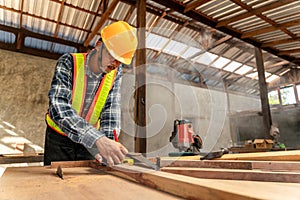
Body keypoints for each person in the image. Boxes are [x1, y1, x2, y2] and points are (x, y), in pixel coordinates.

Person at [44, 21, 138, 166]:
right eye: (112, 55)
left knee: (85, 184)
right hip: (59, 138)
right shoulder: (69, 62)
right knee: (55, 183)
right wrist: (98, 140)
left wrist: (108, 144)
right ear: (99, 45)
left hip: (90, 141)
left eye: (119, 61)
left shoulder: (115, 73)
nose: (114, 64)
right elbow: (58, 106)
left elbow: (111, 111)